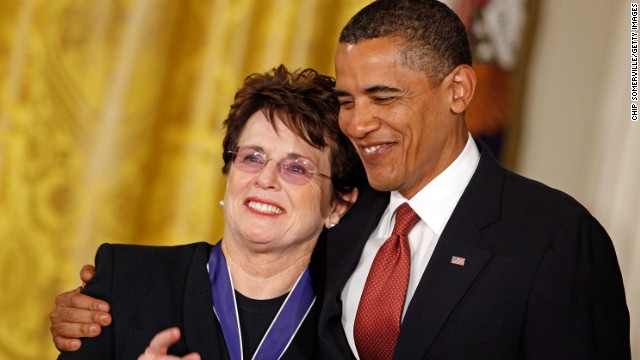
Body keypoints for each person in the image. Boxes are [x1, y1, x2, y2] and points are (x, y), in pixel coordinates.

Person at [51, 1, 631, 359]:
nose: (357, 121)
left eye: (383, 97)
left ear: (458, 91)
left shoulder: (554, 240)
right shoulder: (343, 220)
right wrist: (104, 315)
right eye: (349, 99)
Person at [52, 64, 364, 359]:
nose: (265, 179)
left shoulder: (355, 322)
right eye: (252, 158)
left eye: (296, 168)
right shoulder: (126, 279)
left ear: (338, 205)